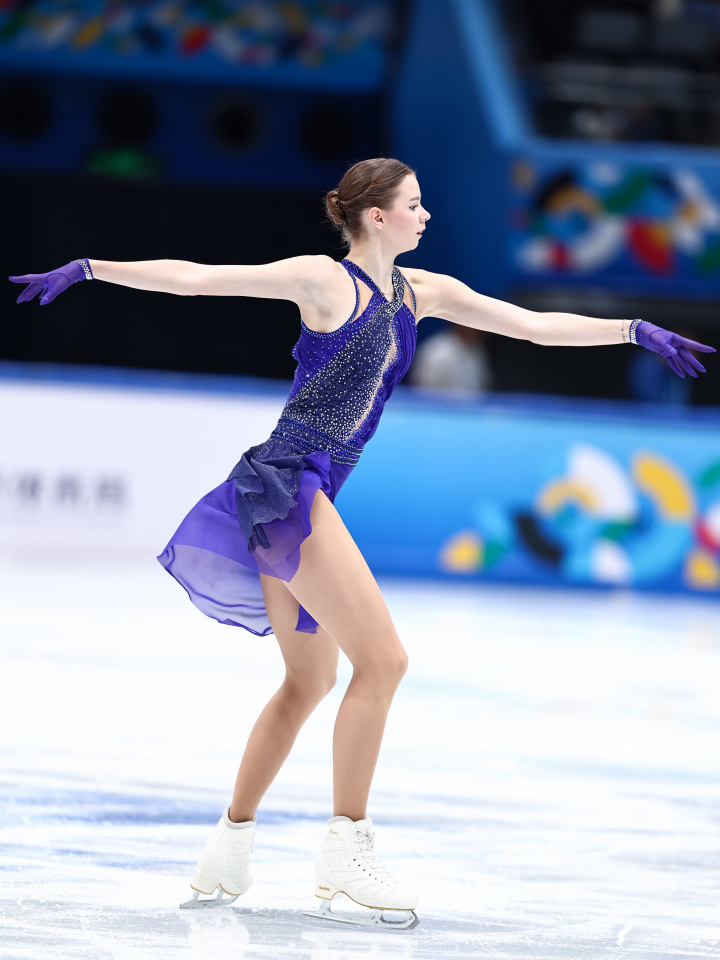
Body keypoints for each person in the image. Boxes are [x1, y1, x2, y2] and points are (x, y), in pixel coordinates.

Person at [9, 157, 716, 929]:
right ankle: (346, 847)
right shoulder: (323, 281)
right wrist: (91, 267)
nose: (427, 214)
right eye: (415, 203)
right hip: (289, 486)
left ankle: (228, 848)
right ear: (375, 216)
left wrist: (633, 331)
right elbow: (199, 281)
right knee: (383, 662)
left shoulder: (422, 293)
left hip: (294, 492)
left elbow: (533, 326)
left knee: (308, 682)